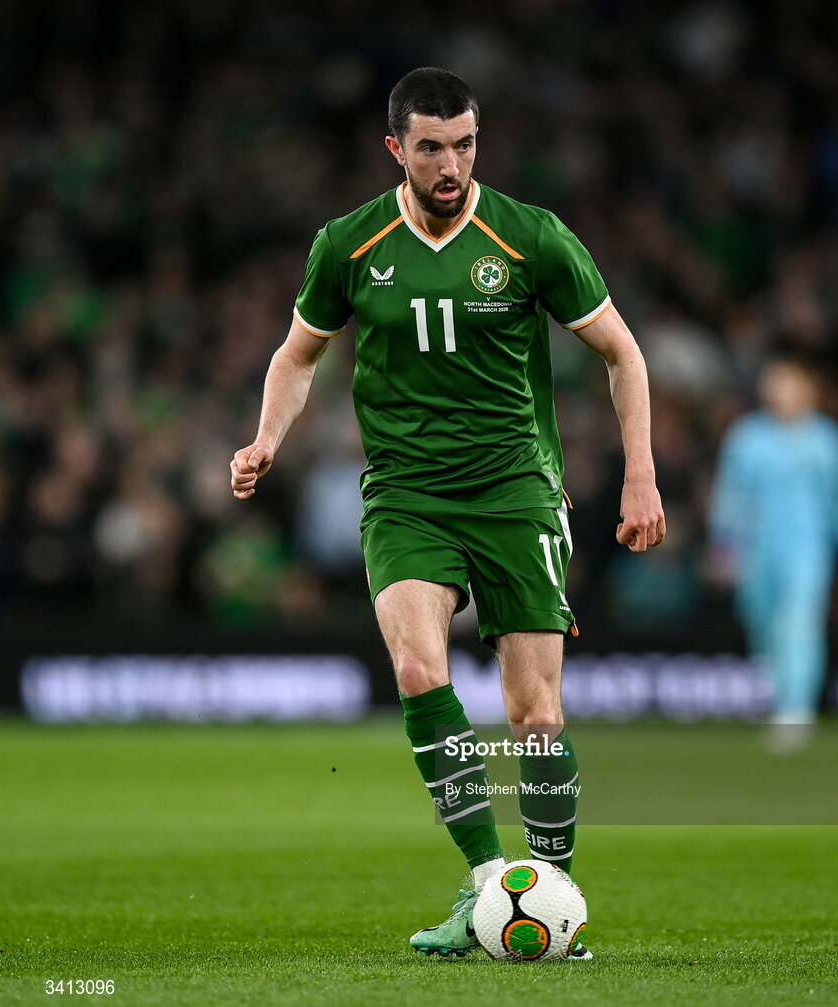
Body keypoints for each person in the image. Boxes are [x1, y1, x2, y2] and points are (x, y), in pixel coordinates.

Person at [230, 68, 665, 957]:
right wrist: (266, 437)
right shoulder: (350, 244)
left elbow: (623, 353)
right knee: (422, 670)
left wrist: (640, 477)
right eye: (431, 147)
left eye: (464, 144)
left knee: (534, 718)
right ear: (397, 148)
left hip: (514, 491)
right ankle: (483, 888)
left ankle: (553, 902)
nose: (450, 164)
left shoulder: (530, 237)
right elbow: (296, 355)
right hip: (407, 496)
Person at [709, 356, 838, 748]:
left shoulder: (827, 440)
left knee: (799, 623)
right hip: (758, 549)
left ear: (808, 389)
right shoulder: (747, 438)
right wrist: (724, 548)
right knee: (764, 625)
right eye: (772, 383)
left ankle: (796, 710)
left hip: (807, 547)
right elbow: (729, 495)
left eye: (787, 382)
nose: (777, 391)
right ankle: (781, 694)